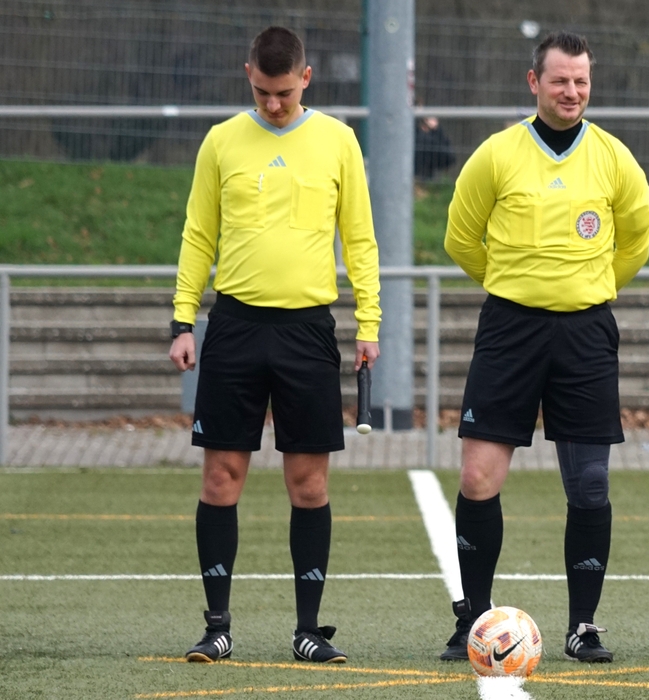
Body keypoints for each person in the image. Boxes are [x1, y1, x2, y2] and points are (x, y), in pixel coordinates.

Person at [168, 26, 380, 664]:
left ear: (306, 79)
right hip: (234, 328)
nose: (273, 103)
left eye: (284, 92)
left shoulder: (339, 140)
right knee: (221, 477)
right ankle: (217, 627)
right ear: (248, 75)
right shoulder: (221, 141)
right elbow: (198, 232)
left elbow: (360, 239)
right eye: (262, 91)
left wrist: (369, 324)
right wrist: (183, 320)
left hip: (308, 331)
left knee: (309, 485)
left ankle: (308, 630)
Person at [440, 31, 649, 664]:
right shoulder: (496, 154)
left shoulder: (614, 158)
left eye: (581, 81)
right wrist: (516, 284)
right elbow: (461, 239)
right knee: (478, 476)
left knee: (589, 483)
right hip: (509, 331)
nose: (572, 91)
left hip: (586, 334)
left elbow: (635, 242)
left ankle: (582, 626)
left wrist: (589, 288)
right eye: (560, 80)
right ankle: (474, 620)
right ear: (534, 82)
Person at [414, 113, 454, 180]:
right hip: (416, 175)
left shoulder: (437, 135)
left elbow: (450, 158)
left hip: (429, 177)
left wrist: (436, 130)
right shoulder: (418, 136)